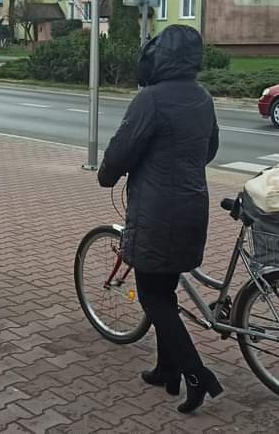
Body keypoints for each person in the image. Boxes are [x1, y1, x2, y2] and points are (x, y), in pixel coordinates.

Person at [96, 25, 222, 414]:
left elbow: (122, 150)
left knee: (153, 297)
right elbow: (210, 147)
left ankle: (196, 374)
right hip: (191, 205)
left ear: (159, 56)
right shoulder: (202, 96)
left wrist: (108, 175)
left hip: (156, 212)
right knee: (165, 292)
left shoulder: (150, 99)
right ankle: (167, 369)